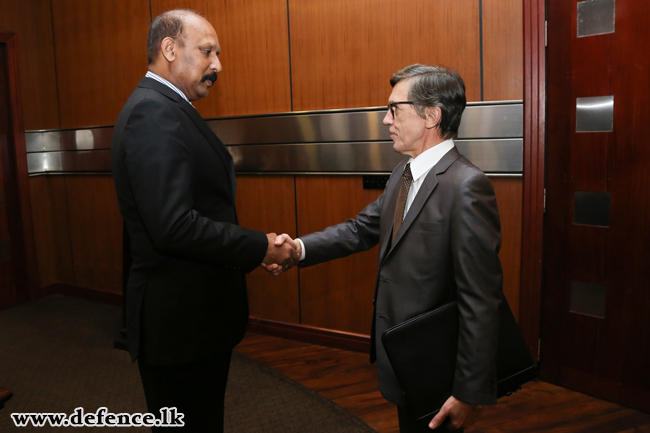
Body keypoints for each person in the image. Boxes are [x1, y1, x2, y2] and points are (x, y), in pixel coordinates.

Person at [270, 64, 503, 432]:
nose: (384, 119)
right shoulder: (403, 173)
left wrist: (469, 392)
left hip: (438, 367)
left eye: (395, 108)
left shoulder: (466, 186)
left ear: (432, 115)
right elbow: (362, 228)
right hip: (403, 356)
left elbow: (481, 299)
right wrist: (298, 249)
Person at [111, 9, 297, 432]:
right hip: (180, 326)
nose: (218, 65)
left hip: (192, 321)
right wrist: (258, 246)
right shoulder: (153, 113)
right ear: (170, 49)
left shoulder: (166, 107)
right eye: (207, 51)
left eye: (218, 53)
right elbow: (173, 225)